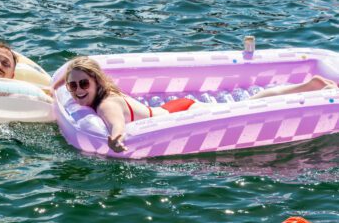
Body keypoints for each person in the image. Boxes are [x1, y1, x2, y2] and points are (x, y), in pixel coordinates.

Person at [60, 56, 338, 152]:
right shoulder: (100, 95)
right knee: (249, 101)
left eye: (84, 83)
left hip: (181, 111)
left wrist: (115, 139)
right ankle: (307, 86)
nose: (77, 90)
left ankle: (308, 88)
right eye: (73, 85)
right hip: (173, 108)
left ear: (97, 83)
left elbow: (116, 123)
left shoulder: (107, 104)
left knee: (248, 105)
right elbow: (62, 79)